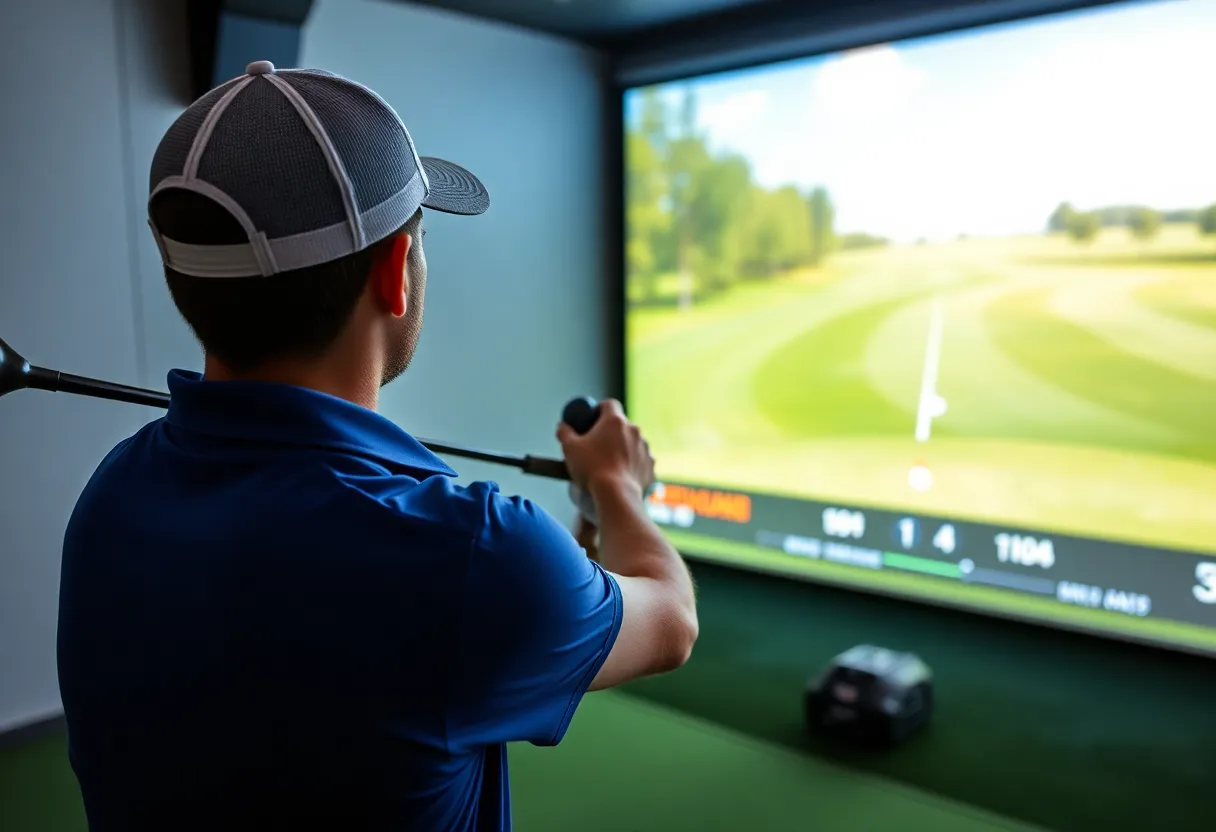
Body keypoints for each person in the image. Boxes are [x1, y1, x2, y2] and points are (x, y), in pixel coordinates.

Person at [57, 62, 697, 832]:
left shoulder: (113, 496)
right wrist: (617, 485)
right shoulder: (473, 555)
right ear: (396, 272)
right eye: (419, 239)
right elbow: (671, 621)